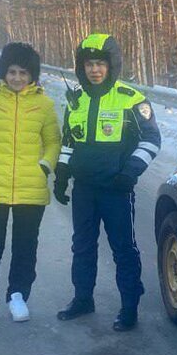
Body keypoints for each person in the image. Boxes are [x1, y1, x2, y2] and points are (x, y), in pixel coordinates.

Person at [54, 33, 161, 331]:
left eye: (101, 64)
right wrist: (62, 174)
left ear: (111, 65)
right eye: (89, 64)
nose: (95, 70)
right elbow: (68, 141)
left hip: (116, 189)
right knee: (83, 246)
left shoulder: (131, 99)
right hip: (84, 189)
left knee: (123, 248)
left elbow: (152, 140)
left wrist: (129, 173)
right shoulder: (76, 99)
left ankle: (129, 306)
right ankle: (83, 299)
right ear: (81, 67)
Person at [0, 43, 60, 328]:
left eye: (23, 73)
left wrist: (44, 166)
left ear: (33, 75)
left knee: (25, 247)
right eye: (12, 72)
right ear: (4, 72)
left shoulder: (45, 105)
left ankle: (18, 295)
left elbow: (54, 141)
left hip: (31, 188)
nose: (17, 78)